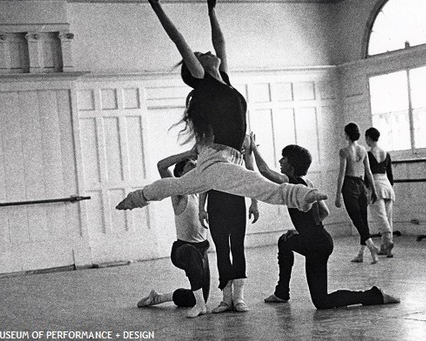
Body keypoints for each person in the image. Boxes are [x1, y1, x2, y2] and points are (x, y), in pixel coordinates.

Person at [115, 0, 327, 213]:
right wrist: (156, 6)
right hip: (217, 161)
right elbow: (179, 40)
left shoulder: (223, 80)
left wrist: (211, 11)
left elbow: (220, 44)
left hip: (223, 160)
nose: (208, 52)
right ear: (197, 68)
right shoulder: (203, 82)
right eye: (200, 56)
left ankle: (135, 198)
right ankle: (302, 195)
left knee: (175, 185)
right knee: (257, 184)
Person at [250, 133, 400, 309]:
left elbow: (265, 171)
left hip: (314, 244)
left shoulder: (291, 181)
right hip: (321, 240)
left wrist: (253, 148)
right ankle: (282, 293)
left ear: (292, 166)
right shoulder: (308, 182)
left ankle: (282, 293)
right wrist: (305, 229)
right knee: (286, 244)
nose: (280, 161)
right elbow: (324, 212)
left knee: (286, 245)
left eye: (284, 159)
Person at [137, 148, 210, 318]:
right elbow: (161, 166)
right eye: (191, 165)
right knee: (191, 256)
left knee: (197, 296)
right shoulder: (178, 190)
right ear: (181, 173)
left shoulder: (202, 190)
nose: (195, 167)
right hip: (182, 249)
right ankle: (201, 306)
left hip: (201, 250)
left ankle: (158, 298)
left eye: (196, 164)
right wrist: (188, 154)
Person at [199, 134, 259, 314]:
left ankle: (239, 297)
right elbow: (204, 176)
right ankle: (226, 298)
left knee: (237, 247)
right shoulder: (206, 139)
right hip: (216, 200)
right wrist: (201, 207)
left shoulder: (244, 139)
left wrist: (254, 202)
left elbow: (251, 172)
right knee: (222, 250)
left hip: (236, 199)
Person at [335, 123, 380, 264]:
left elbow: (341, 174)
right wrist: (373, 189)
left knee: (357, 220)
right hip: (361, 185)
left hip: (349, 186)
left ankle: (371, 246)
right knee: (362, 220)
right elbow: (368, 172)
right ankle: (362, 254)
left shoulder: (344, 151)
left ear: (347, 135)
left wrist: (337, 195)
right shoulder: (363, 150)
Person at [365, 127, 395, 258]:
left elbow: (368, 174)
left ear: (368, 138)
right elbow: (390, 175)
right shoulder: (386, 153)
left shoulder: (368, 154)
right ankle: (385, 247)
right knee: (388, 218)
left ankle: (388, 241)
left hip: (376, 185)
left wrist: (368, 190)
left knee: (381, 218)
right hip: (387, 185)